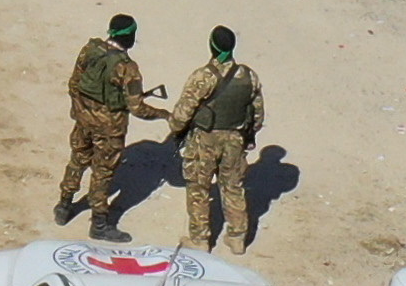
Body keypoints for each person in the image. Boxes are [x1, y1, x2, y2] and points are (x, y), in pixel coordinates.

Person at [160, 26, 266, 253]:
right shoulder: (248, 76)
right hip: (235, 140)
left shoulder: (203, 77)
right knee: (233, 187)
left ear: (211, 46)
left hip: (204, 140)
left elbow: (181, 115)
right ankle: (237, 237)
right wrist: (247, 135)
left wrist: (176, 129)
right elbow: (257, 114)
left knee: (199, 188)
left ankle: (200, 239)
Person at [55, 15, 162, 231]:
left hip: (83, 121)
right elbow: (137, 107)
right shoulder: (127, 68)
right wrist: (162, 114)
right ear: (130, 37)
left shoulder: (90, 50)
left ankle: (64, 205)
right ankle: (100, 223)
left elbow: (74, 84)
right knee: (102, 173)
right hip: (110, 129)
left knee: (77, 160)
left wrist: (81, 110)